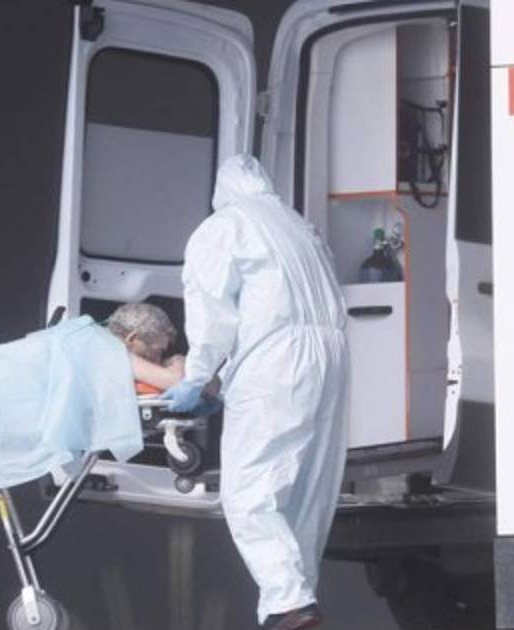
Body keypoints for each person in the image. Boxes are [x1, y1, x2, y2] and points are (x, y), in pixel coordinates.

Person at [162, 155, 349, 630]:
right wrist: (224, 376)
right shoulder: (298, 227)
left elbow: (212, 311)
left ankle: (289, 602)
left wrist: (199, 375)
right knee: (306, 488)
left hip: (277, 360)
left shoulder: (225, 226)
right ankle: (293, 607)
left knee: (249, 489)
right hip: (330, 356)